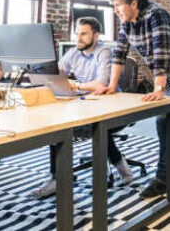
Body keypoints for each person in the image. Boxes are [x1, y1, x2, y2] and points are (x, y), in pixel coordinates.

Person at [95, 0, 170, 199]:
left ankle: (164, 179)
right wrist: (112, 85)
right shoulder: (128, 23)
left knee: (164, 119)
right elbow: (119, 54)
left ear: (133, 3)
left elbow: (161, 54)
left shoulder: (156, 15)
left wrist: (159, 90)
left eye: (118, 5)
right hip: (165, 76)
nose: (115, 10)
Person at [33, 17, 144, 199]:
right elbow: (56, 73)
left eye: (84, 34)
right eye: (77, 33)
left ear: (96, 35)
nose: (79, 38)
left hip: (114, 108)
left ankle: (124, 170)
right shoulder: (74, 52)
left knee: (98, 127)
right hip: (86, 104)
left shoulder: (104, 52)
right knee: (56, 124)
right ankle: (58, 177)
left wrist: (74, 85)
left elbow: (100, 84)